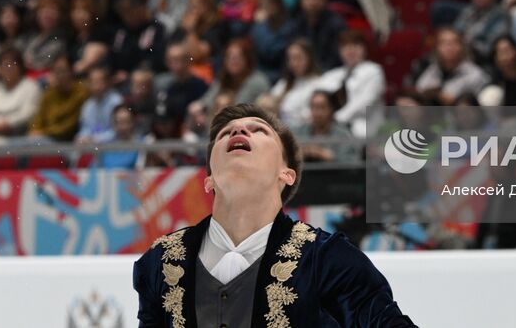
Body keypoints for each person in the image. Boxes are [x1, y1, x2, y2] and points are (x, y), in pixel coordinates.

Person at [133, 103, 415, 326]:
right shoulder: (160, 261)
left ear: (287, 174)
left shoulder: (327, 259)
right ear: (209, 179)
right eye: (224, 133)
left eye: (259, 130)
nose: (238, 131)